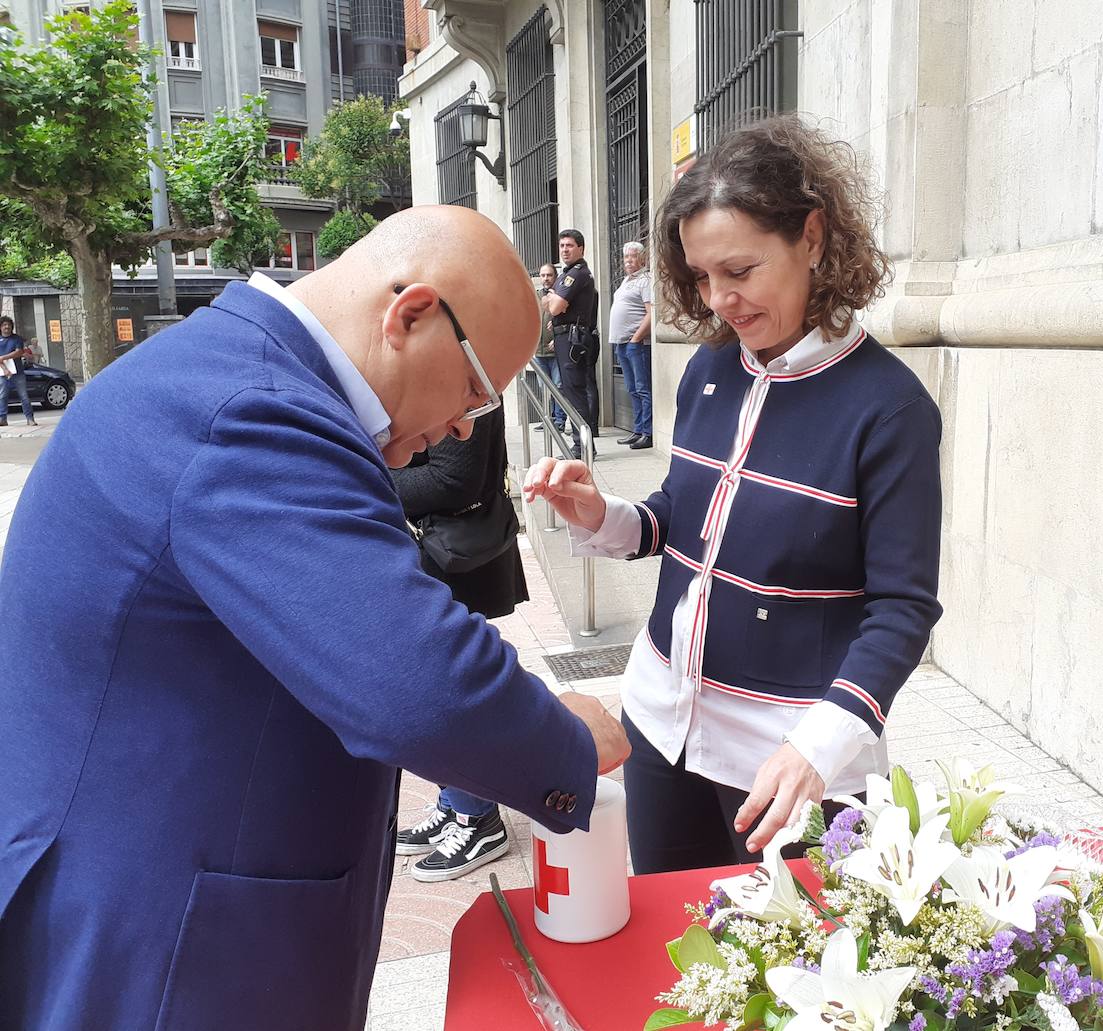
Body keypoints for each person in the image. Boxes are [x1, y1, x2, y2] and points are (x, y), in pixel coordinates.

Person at [0, 206, 630, 1031]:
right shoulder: (254, 410)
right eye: (476, 389)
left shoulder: (237, 372)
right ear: (410, 315)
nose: (463, 427)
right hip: (164, 949)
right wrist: (568, 741)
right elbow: (415, 679)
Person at [524, 116, 942, 874]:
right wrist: (604, 516)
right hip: (662, 724)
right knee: (676, 958)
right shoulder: (713, 370)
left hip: (790, 762)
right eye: (701, 275)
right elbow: (684, 518)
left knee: (786, 983)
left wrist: (825, 742)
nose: (718, 300)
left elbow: (903, 608)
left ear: (813, 237)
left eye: (740, 271)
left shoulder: (888, 408)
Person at [392, 405, 529, 881]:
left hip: (453, 558)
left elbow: (454, 480)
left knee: (450, 692)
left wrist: (361, 478)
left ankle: (479, 818)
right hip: (440, 552)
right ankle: (456, 804)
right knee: (438, 690)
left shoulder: (462, 384)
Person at [544, 228, 599, 459]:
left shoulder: (576, 273)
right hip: (566, 336)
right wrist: (552, 299)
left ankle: (583, 447)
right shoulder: (568, 273)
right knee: (570, 391)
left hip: (573, 339)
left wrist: (552, 299)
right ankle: (582, 445)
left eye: (569, 246)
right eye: (562, 246)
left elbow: (554, 306)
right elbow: (551, 303)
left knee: (575, 393)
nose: (565, 250)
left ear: (581, 248)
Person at [609, 241, 654, 449]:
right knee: (632, 389)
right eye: (626, 257)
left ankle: (648, 432)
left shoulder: (645, 280)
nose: (628, 260)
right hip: (622, 344)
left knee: (643, 389)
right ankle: (637, 430)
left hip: (636, 344)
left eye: (633, 256)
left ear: (642, 259)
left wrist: (636, 338)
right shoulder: (627, 280)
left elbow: (651, 313)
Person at [533, 263, 567, 433]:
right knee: (544, 388)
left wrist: (558, 339)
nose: (546, 278)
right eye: (543, 275)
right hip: (538, 352)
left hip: (555, 350)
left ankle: (560, 420)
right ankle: (549, 419)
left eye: (549, 275)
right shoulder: (535, 296)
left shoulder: (560, 294)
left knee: (558, 387)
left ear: (555, 276)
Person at [0, 316, 37, 427]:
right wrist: (5, 369)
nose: (7, 327)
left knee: (24, 395)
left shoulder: (16, 339)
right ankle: (2, 419)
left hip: (18, 372)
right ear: (0, 327)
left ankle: (30, 418)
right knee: (2, 396)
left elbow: (19, 352)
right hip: (2, 372)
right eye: (4, 325)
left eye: (9, 324)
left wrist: (3, 357)